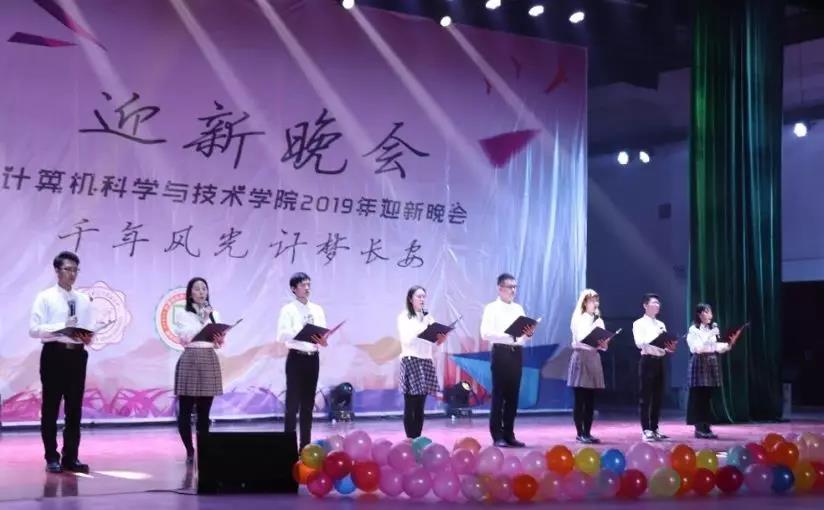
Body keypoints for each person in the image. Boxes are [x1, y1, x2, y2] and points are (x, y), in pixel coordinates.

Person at [29, 251, 94, 473]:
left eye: (75, 270)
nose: (72, 274)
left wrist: (88, 336)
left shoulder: (83, 299)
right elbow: (34, 329)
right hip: (54, 354)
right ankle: (51, 457)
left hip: (77, 355)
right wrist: (61, 328)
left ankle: (71, 457)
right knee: (51, 407)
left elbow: (89, 328)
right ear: (57, 271)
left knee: (74, 409)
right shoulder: (45, 297)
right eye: (68, 269)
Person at [173, 277, 226, 463]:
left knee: (205, 412)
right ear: (190, 294)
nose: (202, 292)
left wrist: (220, 339)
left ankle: (204, 448)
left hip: (209, 357)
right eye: (197, 289)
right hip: (191, 357)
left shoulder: (214, 314)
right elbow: (185, 337)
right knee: (185, 410)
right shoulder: (182, 313)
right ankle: (189, 450)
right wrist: (202, 319)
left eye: (204, 288)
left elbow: (218, 343)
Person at [480, 273, 535, 448]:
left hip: (516, 353)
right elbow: (485, 333)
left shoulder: (518, 309)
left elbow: (522, 336)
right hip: (500, 352)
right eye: (510, 287)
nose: (513, 290)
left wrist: (527, 334)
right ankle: (497, 435)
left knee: (513, 395)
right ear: (500, 288)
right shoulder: (491, 308)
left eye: (515, 287)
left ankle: (509, 434)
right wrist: (510, 336)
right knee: (499, 395)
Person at [276, 272, 329, 449]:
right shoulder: (288, 310)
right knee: (292, 404)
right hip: (296, 358)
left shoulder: (317, 309)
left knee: (308, 405)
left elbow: (322, 334)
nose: (307, 288)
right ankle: (287, 447)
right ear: (293, 289)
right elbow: (281, 335)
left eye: (308, 285)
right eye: (302, 285)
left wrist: (323, 341)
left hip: (312, 358)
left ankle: (305, 446)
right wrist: (301, 333)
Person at [397, 285, 448, 438]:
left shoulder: (428, 317)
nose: (422, 299)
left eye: (424, 296)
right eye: (418, 296)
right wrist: (424, 329)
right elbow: (407, 339)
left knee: (421, 404)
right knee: (411, 402)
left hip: (426, 360)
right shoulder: (404, 316)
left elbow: (434, 342)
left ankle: (417, 437)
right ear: (410, 299)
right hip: (411, 359)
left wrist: (441, 338)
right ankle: (410, 438)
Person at [686, 303, 741, 439]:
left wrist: (729, 344)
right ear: (700, 314)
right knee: (699, 397)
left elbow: (715, 346)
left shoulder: (711, 329)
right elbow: (697, 348)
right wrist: (711, 333)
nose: (710, 315)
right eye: (707, 312)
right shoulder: (694, 330)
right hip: (700, 362)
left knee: (707, 397)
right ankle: (699, 428)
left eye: (710, 312)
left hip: (711, 362)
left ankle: (707, 427)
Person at [632, 293, 677, 442]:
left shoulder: (661, 324)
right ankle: (646, 430)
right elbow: (639, 343)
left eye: (658, 303)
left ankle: (655, 428)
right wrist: (655, 341)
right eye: (654, 303)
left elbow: (665, 347)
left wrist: (670, 347)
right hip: (647, 360)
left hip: (660, 361)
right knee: (645, 397)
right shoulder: (639, 323)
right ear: (645, 305)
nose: (657, 305)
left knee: (658, 397)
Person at [567, 289, 610, 444]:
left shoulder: (599, 320)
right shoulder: (578, 318)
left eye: (596, 300)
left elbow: (604, 346)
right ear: (584, 302)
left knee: (591, 399)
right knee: (580, 398)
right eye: (592, 300)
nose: (595, 303)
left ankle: (588, 432)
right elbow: (579, 339)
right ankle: (580, 433)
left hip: (593, 358)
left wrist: (604, 343)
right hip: (581, 357)